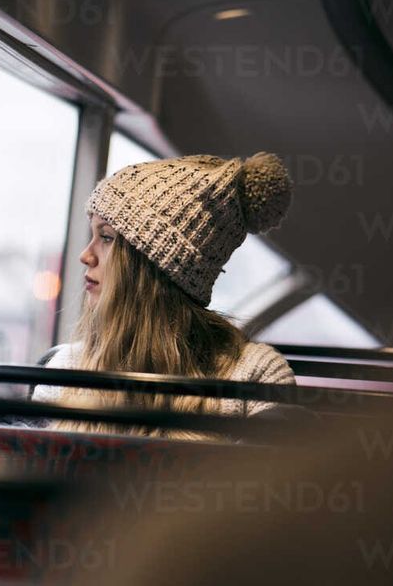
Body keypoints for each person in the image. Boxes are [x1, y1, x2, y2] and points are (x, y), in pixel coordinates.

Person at [36, 151, 297, 436]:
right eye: (93, 236)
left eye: (107, 237)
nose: (85, 255)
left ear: (154, 266)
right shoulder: (66, 369)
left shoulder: (254, 375)